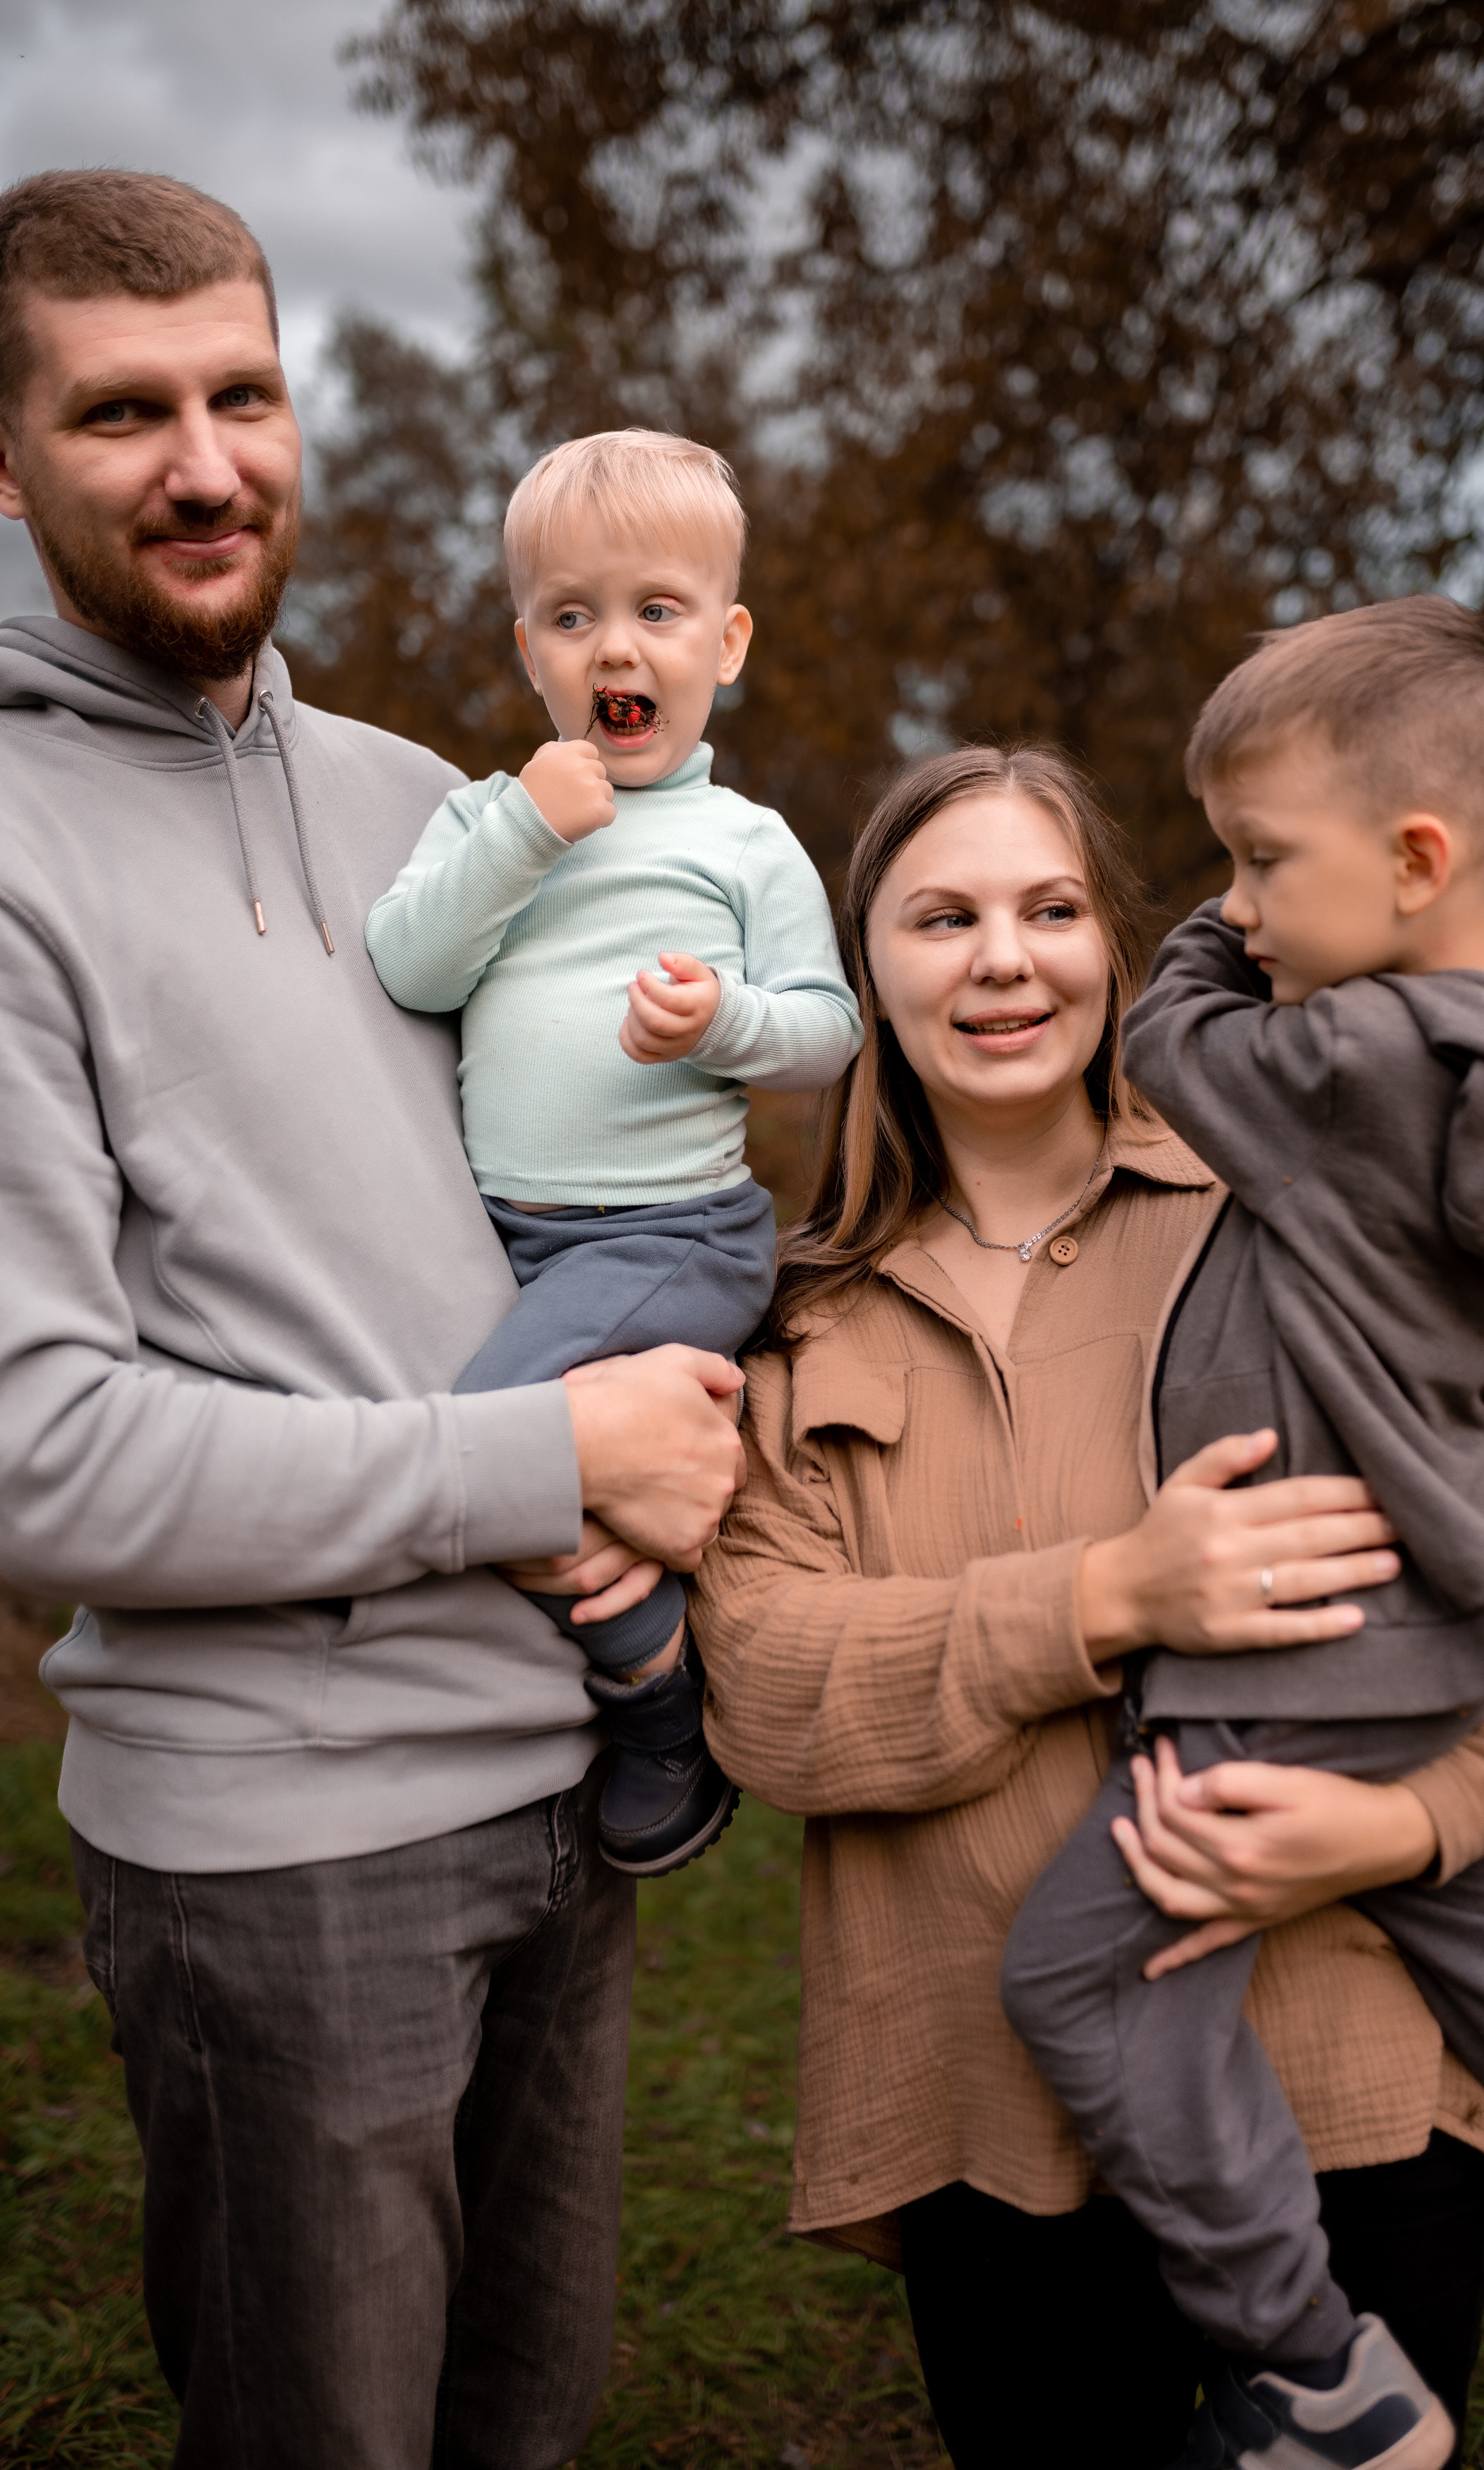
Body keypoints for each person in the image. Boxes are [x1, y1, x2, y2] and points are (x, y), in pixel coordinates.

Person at [0, 169, 743, 2470]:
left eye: (244, 391)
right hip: (276, 1867)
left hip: (566, 1798)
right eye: (127, 412)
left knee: (526, 2427)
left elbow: (568, 1212)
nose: (207, 462)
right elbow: (41, 1456)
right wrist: (557, 1461)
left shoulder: (430, 803)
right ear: (9, 453)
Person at [687, 742, 1484, 2470]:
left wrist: (1415, 1817)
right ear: (862, 969)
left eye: (1051, 910)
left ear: (1117, 951)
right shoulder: (793, 1319)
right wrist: (1107, 1595)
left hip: (1349, 2073)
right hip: (980, 2113)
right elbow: (760, 1685)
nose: (1002, 959)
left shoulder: (1296, 1202)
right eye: (942, 915)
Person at [998, 600, 1484, 2470]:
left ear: (1414, 861)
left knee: (1080, 1967)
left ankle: (1312, 2373)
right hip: (1440, 1633)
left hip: (1307, 1643)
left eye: (1262, 857)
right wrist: (1279, 864)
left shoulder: (1347, 1058)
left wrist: (1207, 931)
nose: (1243, 899)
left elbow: (1173, 1030)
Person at [365, 428, 860, 1875]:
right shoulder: (487, 814)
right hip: (506, 1236)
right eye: (572, 616)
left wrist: (720, 1023)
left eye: (656, 609)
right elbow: (412, 967)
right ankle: (632, 1584)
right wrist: (525, 830)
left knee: (488, 1440)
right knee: (515, 1449)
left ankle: (657, 1698)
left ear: (729, 640)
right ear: (530, 650)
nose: (614, 646)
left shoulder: (743, 841)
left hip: (666, 1233)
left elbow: (827, 1031)